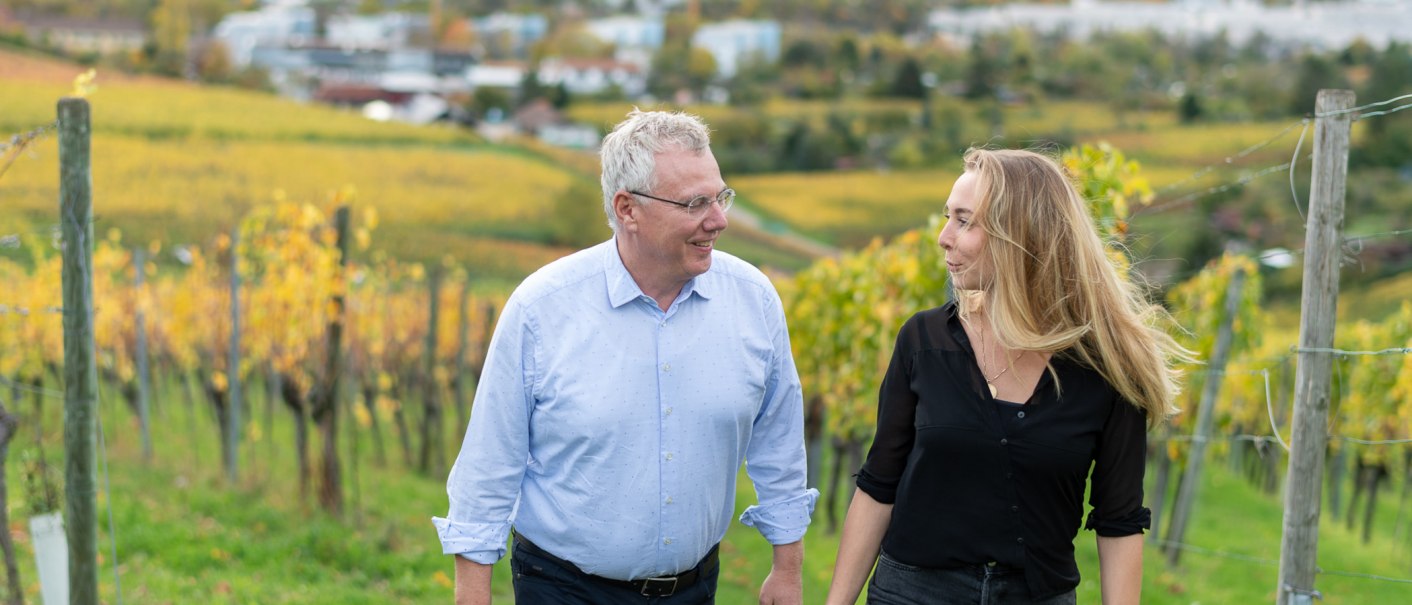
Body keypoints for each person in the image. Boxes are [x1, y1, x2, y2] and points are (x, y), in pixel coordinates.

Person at [433, 109, 818, 605]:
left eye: (721, 196)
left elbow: (779, 443)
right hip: (563, 589)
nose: (719, 219)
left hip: (695, 590)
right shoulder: (542, 309)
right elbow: (490, 465)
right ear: (628, 209)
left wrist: (788, 568)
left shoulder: (753, 300)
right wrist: (472, 595)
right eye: (695, 203)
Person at [825, 148, 1190, 605]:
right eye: (947, 218)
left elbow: (1119, 521)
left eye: (964, 221)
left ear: (1020, 235)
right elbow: (879, 486)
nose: (943, 237)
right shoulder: (924, 340)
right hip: (912, 594)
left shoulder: (1110, 367)